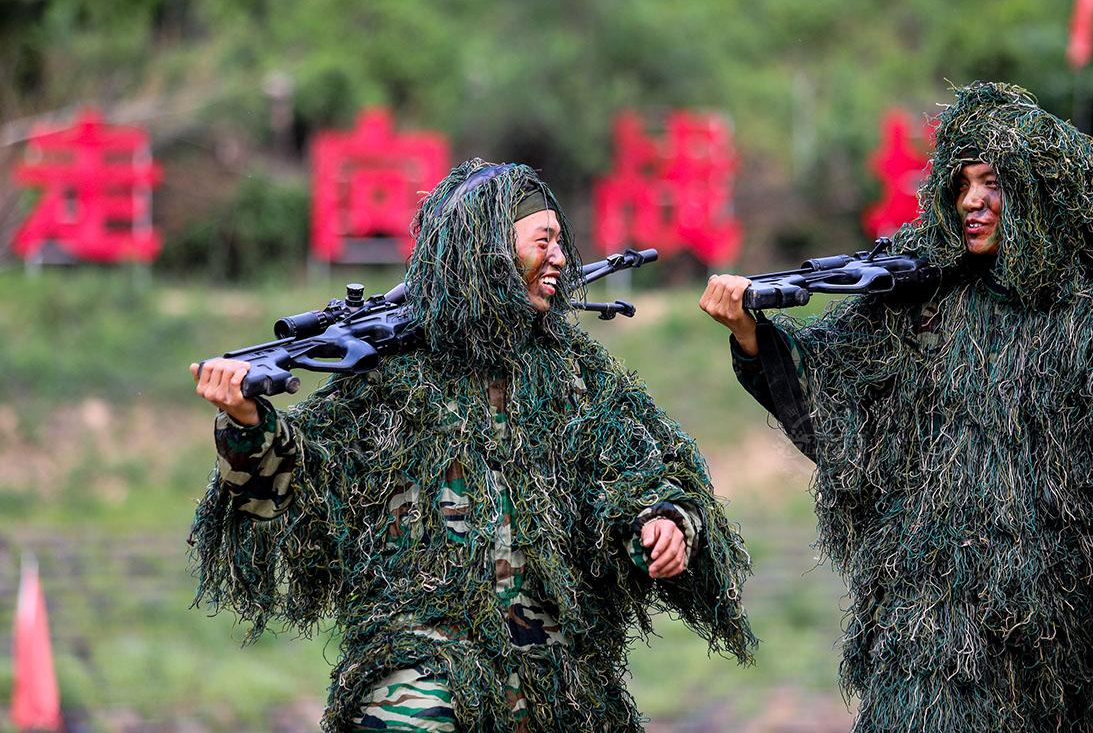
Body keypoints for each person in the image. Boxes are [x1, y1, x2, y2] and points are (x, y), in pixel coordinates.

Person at [700, 82, 1093, 733]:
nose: (971, 201)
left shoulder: (1090, 316)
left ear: (1035, 191)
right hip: (922, 633)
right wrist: (750, 332)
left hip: (1050, 647)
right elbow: (833, 389)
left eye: (991, 183)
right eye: (962, 184)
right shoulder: (920, 302)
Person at [190, 159, 756, 732]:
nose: (561, 256)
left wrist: (662, 528)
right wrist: (246, 424)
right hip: (423, 664)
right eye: (544, 240)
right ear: (488, 252)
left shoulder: (580, 380)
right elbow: (294, 487)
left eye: (561, 240)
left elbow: (642, 480)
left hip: (558, 676)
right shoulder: (386, 383)